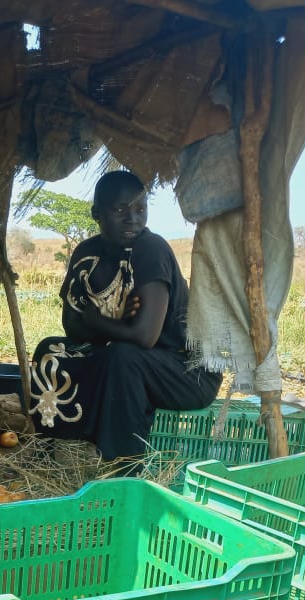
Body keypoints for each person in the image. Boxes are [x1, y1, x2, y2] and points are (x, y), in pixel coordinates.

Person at [29, 170, 222, 469]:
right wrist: (116, 324)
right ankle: (55, 448)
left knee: (123, 356)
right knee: (49, 350)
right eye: (120, 209)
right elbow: (71, 324)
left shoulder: (150, 249)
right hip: (126, 355)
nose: (132, 218)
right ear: (97, 213)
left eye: (140, 209)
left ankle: (125, 466)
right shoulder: (86, 254)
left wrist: (96, 321)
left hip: (187, 370)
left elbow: (145, 335)